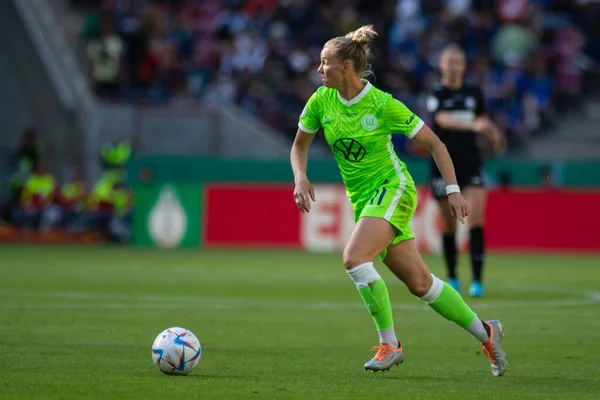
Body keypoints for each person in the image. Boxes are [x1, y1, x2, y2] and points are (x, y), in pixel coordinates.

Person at [290, 26, 507, 376]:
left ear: (346, 66)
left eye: (325, 63)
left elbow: (436, 143)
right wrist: (300, 176)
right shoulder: (320, 101)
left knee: (354, 257)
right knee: (422, 284)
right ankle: (487, 332)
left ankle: (390, 344)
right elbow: (299, 146)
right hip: (364, 200)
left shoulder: (382, 104)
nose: (319, 70)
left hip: (393, 188)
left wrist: (453, 191)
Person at [427, 44, 503, 297]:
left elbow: (483, 119)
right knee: (449, 225)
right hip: (442, 163)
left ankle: (478, 282)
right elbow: (441, 120)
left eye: (458, 61)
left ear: (464, 65)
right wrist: (474, 125)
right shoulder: (436, 92)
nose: (454, 66)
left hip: (471, 161)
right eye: (449, 61)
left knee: (476, 220)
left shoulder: (473, 92)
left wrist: (491, 131)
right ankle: (452, 276)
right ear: (442, 65)